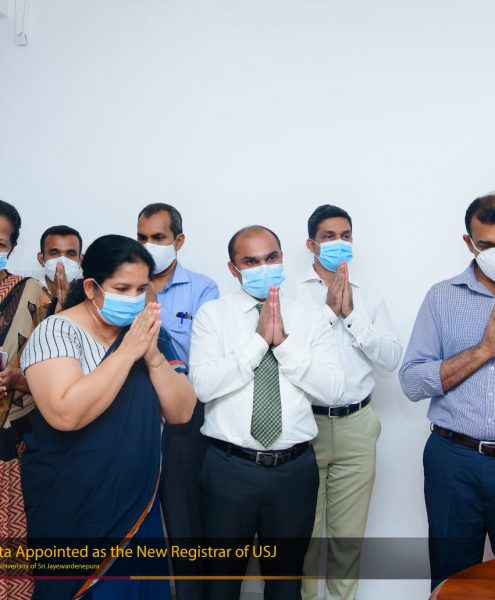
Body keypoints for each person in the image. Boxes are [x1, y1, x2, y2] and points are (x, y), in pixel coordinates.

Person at [20, 234, 196, 600]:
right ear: (91, 287)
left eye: (141, 289)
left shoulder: (149, 335)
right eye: (122, 289)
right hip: (75, 509)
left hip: (138, 509)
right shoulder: (57, 331)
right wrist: (127, 352)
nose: (133, 298)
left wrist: (153, 357)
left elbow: (182, 412)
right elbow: (65, 415)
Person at [189, 225, 345, 600]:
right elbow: (203, 387)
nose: (264, 267)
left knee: (286, 583)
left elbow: (333, 390)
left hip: (294, 471)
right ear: (233, 269)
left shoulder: (310, 317)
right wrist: (259, 342)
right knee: (220, 583)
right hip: (229, 469)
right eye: (251, 261)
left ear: (282, 258)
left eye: (271, 257)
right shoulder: (213, 315)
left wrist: (285, 345)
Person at [285, 205, 401, 600]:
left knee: (348, 541)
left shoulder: (369, 297)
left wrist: (351, 315)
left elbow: (390, 360)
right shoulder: (290, 292)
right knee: (303, 538)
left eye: (346, 235)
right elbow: (282, 354)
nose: (339, 243)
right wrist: (327, 313)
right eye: (329, 236)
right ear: (311, 244)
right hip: (305, 426)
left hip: (357, 425)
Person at [399, 193, 495, 591]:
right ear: (469, 243)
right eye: (488, 244)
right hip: (454, 460)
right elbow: (411, 381)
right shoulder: (442, 297)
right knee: (453, 580)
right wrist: (483, 350)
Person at [137, 203, 219, 600]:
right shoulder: (123, 285)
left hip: (183, 420)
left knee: (185, 523)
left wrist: (152, 308)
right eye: (142, 238)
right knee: (135, 522)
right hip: (134, 418)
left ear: (178, 241)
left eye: (158, 237)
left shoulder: (203, 289)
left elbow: (200, 358)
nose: (149, 245)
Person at [0, 199, 52, 600]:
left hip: (7, 441)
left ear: (12, 247)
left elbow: (52, 369)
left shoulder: (30, 293)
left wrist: (19, 379)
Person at [36, 225, 83, 315]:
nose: (62, 261)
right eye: (54, 253)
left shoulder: (88, 294)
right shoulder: (28, 290)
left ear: (80, 260)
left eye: (70, 254)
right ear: (41, 259)